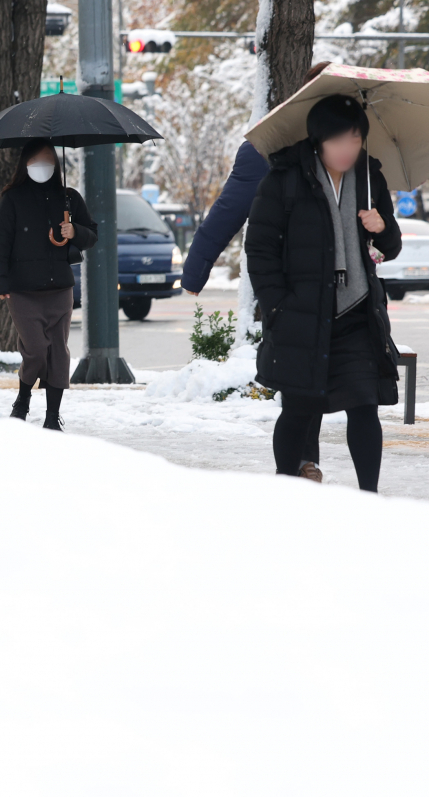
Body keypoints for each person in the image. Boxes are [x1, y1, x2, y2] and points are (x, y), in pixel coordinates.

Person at [246, 94, 402, 493]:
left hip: (357, 313)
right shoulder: (286, 178)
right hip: (302, 312)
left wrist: (380, 226)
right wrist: (278, 305)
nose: (347, 149)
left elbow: (392, 246)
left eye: (355, 139)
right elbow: (259, 249)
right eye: (338, 140)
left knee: (364, 405)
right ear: (318, 139)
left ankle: (370, 496)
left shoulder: (370, 178)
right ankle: (286, 488)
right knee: (299, 408)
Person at [185, 61, 331, 480]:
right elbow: (227, 212)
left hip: (334, 288)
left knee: (319, 380)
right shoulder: (266, 146)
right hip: (286, 288)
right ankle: (302, 463)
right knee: (300, 380)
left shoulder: (347, 150)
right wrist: (196, 273)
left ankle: (307, 461)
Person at [0, 137, 97, 431]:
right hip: (23, 290)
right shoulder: (12, 199)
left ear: (56, 164)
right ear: (25, 164)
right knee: (35, 349)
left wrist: (75, 231)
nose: (42, 166)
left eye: (48, 161)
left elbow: (92, 234)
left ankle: (53, 415)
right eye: (36, 161)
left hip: (60, 287)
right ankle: (23, 398)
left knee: (57, 351)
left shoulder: (69, 198)